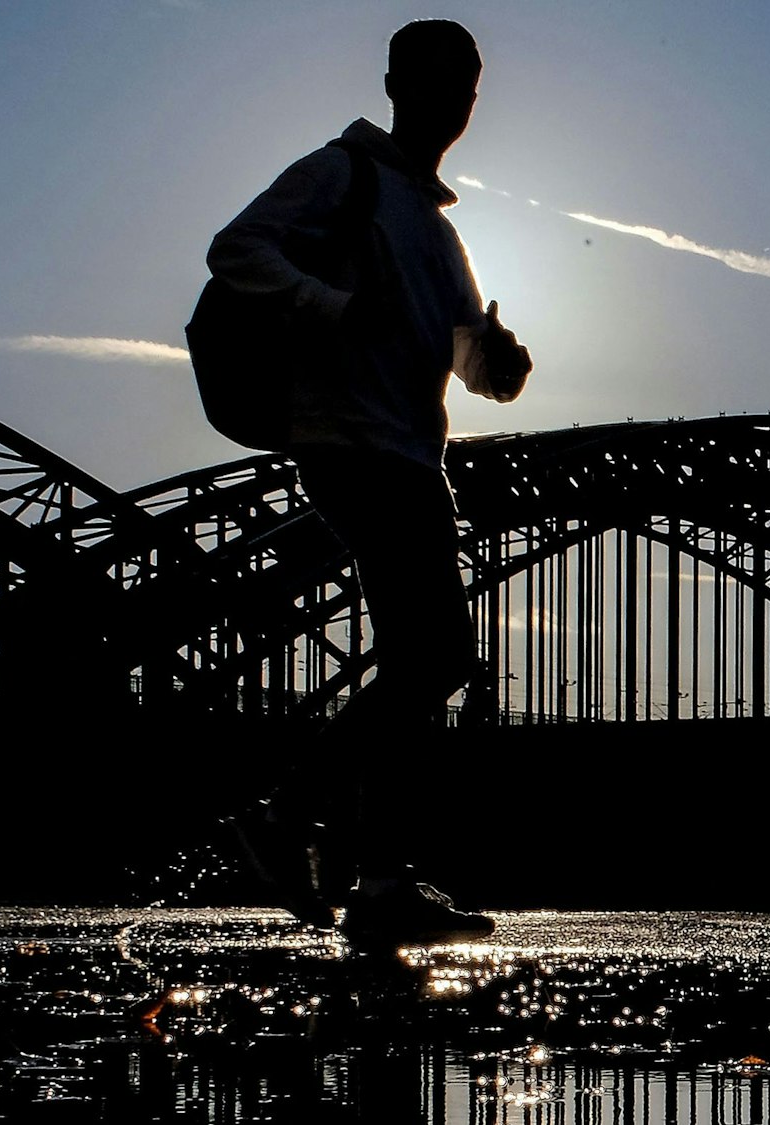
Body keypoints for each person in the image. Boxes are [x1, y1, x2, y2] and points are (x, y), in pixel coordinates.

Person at [207, 19, 530, 946]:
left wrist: (500, 361)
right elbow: (238, 249)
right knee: (435, 656)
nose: (453, 96)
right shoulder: (340, 175)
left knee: (423, 658)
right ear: (394, 81)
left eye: (467, 81)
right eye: (436, 77)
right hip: (351, 441)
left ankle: (379, 877)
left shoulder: (435, 231)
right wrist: (330, 306)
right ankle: (291, 821)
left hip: (406, 451)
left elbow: (477, 366)